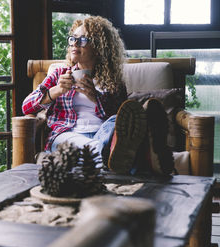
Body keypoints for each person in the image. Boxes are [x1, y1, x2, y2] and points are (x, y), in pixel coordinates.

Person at [22, 16, 173, 175]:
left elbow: (120, 116)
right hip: (67, 134)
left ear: (99, 47)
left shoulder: (112, 81)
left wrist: (96, 98)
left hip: (105, 132)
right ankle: (143, 154)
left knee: (118, 120)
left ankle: (121, 152)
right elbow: (26, 106)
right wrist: (56, 90)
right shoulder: (59, 75)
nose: (75, 43)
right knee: (111, 149)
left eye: (82, 40)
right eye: (73, 39)